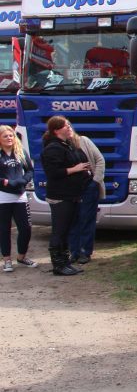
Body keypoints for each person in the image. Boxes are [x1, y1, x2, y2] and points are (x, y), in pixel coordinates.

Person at [41, 116, 92, 276]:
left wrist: (86, 171)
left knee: (68, 229)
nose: (69, 128)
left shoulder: (69, 145)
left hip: (73, 194)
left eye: (70, 125)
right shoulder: (52, 149)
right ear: (56, 130)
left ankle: (65, 261)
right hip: (60, 196)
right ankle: (58, 264)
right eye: (65, 126)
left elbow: (82, 160)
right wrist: (74, 169)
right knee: (59, 230)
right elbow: (53, 173)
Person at [0, 125, 36, 272]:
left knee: (26, 228)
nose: (9, 138)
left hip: (20, 195)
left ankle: (22, 256)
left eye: (11, 135)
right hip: (3, 197)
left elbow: (30, 170)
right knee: (4, 229)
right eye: (5, 136)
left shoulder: (20, 152)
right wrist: (5, 182)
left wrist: (22, 181)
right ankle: (7, 259)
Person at [68, 128, 105, 265]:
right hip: (71, 189)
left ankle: (85, 251)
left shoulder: (84, 141)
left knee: (86, 219)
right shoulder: (61, 146)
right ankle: (74, 252)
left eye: (69, 127)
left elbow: (100, 160)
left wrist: (95, 181)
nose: (69, 130)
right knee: (73, 220)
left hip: (88, 187)